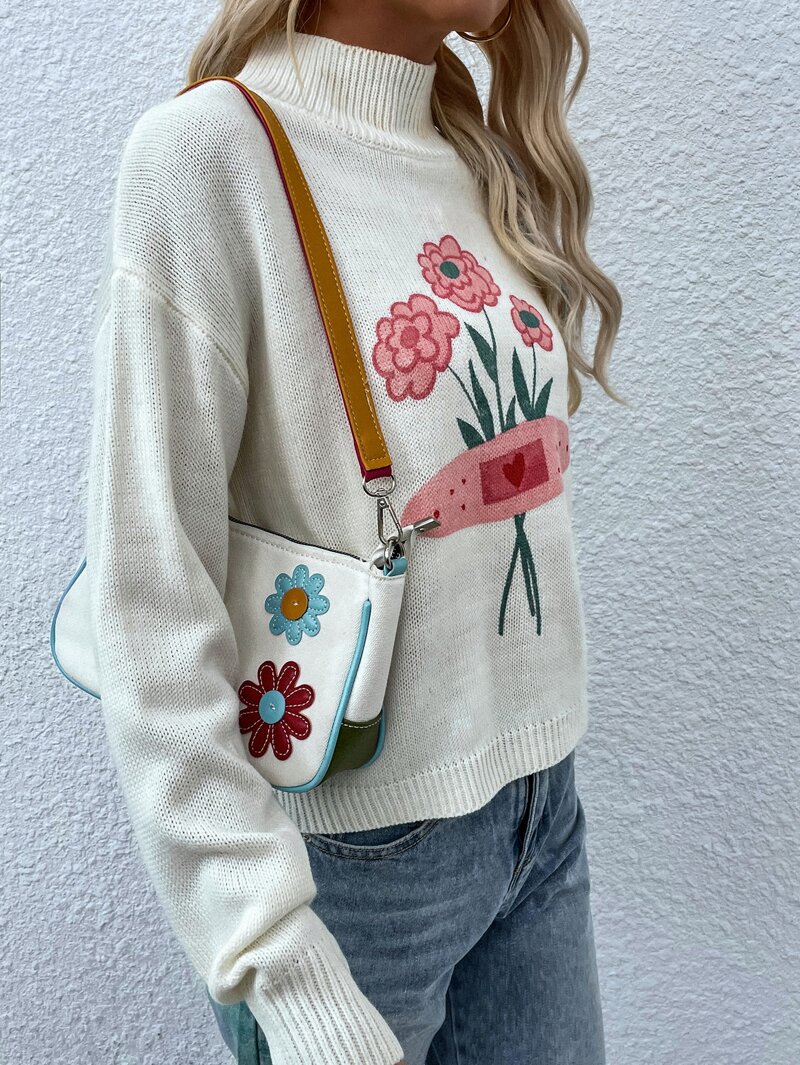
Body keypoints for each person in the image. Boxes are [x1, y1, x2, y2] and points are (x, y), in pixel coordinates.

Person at [84, 0, 623, 1062]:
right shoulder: (207, 158)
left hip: (537, 812)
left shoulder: (468, 148)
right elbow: (149, 598)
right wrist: (273, 956)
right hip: (351, 877)